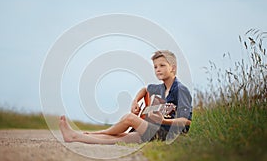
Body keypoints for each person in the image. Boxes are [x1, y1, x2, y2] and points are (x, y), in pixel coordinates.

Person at [59, 50, 192, 144]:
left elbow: (187, 121)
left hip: (167, 135)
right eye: (155, 66)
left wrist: (164, 121)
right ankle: (74, 136)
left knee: (129, 118)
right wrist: (135, 101)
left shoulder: (180, 90)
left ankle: (98, 132)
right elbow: (145, 89)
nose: (158, 69)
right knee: (120, 138)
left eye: (162, 65)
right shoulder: (160, 88)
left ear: (173, 68)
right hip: (152, 131)